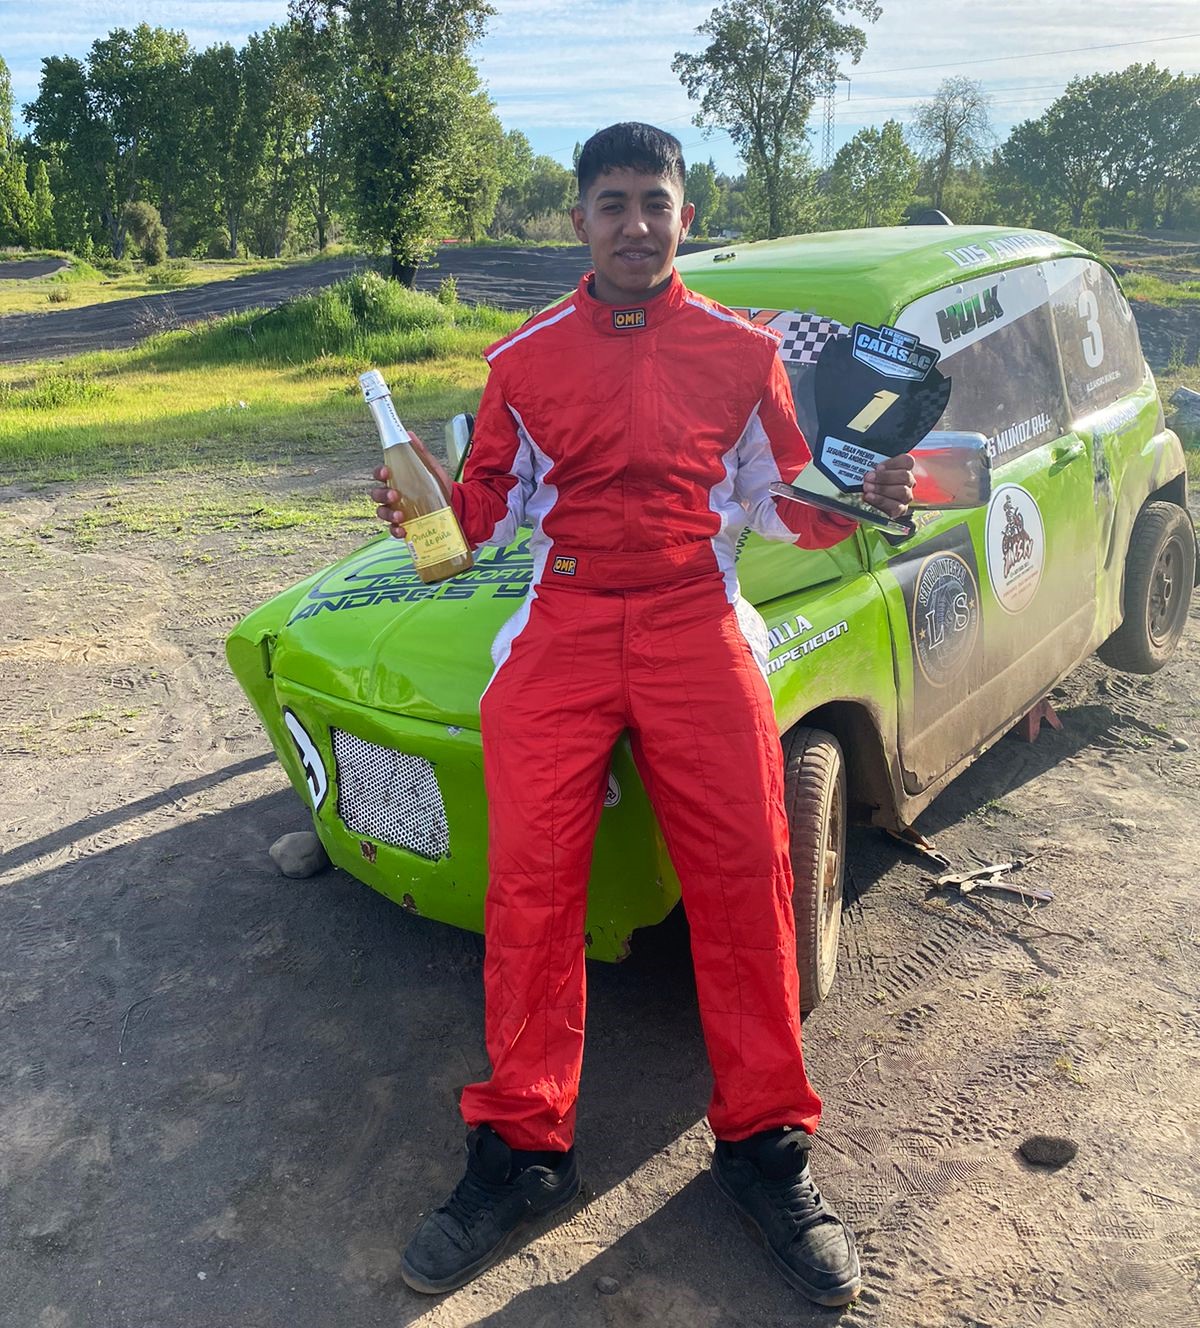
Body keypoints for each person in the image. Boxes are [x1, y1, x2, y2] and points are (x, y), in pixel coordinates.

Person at [370, 122, 914, 1308]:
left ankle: (766, 1141)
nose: (633, 222)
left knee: (745, 876)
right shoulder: (524, 358)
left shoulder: (741, 350)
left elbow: (791, 508)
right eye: (610, 202)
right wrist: (417, 504)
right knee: (528, 890)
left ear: (685, 213)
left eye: (654, 201)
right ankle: (523, 1144)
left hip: (693, 622)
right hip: (560, 629)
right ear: (578, 220)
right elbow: (476, 524)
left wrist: (865, 491)